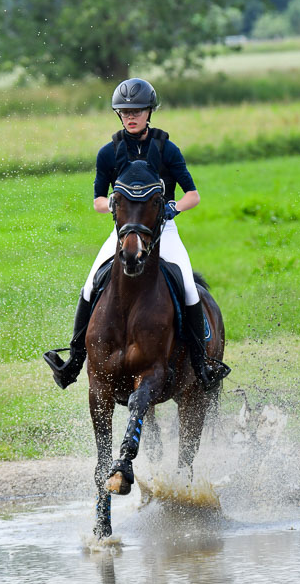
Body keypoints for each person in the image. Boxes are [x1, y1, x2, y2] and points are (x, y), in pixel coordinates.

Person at [44, 77, 230, 391]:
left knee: (187, 286)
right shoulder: (109, 153)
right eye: (125, 111)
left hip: (163, 230)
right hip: (125, 231)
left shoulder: (167, 149)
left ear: (149, 112)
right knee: (91, 284)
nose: (131, 116)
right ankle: (74, 361)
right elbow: (98, 201)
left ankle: (201, 364)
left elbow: (193, 195)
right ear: (118, 114)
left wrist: (173, 207)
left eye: (138, 110)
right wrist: (114, 204)